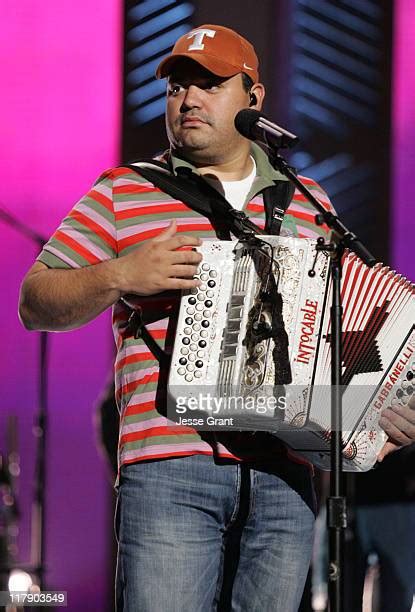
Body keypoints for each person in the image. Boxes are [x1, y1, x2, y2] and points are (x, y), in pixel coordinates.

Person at [18, 24, 415, 612]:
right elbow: (35, 301)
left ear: (253, 100)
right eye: (178, 87)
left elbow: (350, 333)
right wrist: (119, 274)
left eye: (210, 84)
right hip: (171, 470)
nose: (189, 99)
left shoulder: (308, 203)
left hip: (286, 478)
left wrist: (378, 415)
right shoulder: (125, 192)